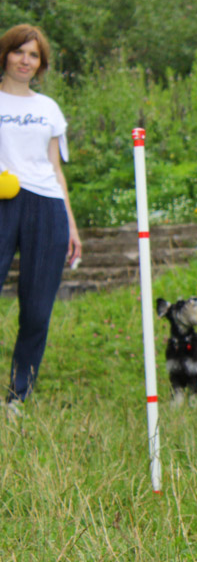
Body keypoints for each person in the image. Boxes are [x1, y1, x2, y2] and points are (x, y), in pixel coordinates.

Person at [0, 24, 82, 413]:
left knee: (36, 311)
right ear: (5, 55)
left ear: (41, 63)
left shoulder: (48, 108)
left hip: (47, 207)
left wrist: (71, 225)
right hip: (3, 201)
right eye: (19, 51)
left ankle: (18, 397)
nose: (25, 60)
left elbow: (55, 169)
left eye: (33, 55)